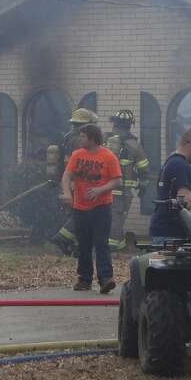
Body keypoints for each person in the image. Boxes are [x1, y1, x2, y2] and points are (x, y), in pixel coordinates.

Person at [59, 123, 122, 293]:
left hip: (101, 208)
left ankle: (106, 279)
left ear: (92, 138)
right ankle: (84, 280)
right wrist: (67, 193)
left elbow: (117, 180)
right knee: (83, 244)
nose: (80, 138)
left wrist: (100, 189)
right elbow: (67, 175)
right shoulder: (77, 155)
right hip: (80, 207)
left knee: (101, 244)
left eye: (83, 136)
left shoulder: (108, 157)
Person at [48, 108, 100, 257]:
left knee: (76, 214)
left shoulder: (67, 137)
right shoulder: (81, 141)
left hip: (67, 182)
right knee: (83, 214)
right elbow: (84, 163)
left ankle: (76, 246)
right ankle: (63, 238)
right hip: (77, 183)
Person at [105, 110, 151, 239]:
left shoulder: (104, 141)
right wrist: (143, 185)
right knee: (118, 217)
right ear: (130, 125)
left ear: (114, 123)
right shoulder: (134, 146)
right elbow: (143, 167)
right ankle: (113, 244)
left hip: (101, 188)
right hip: (122, 190)